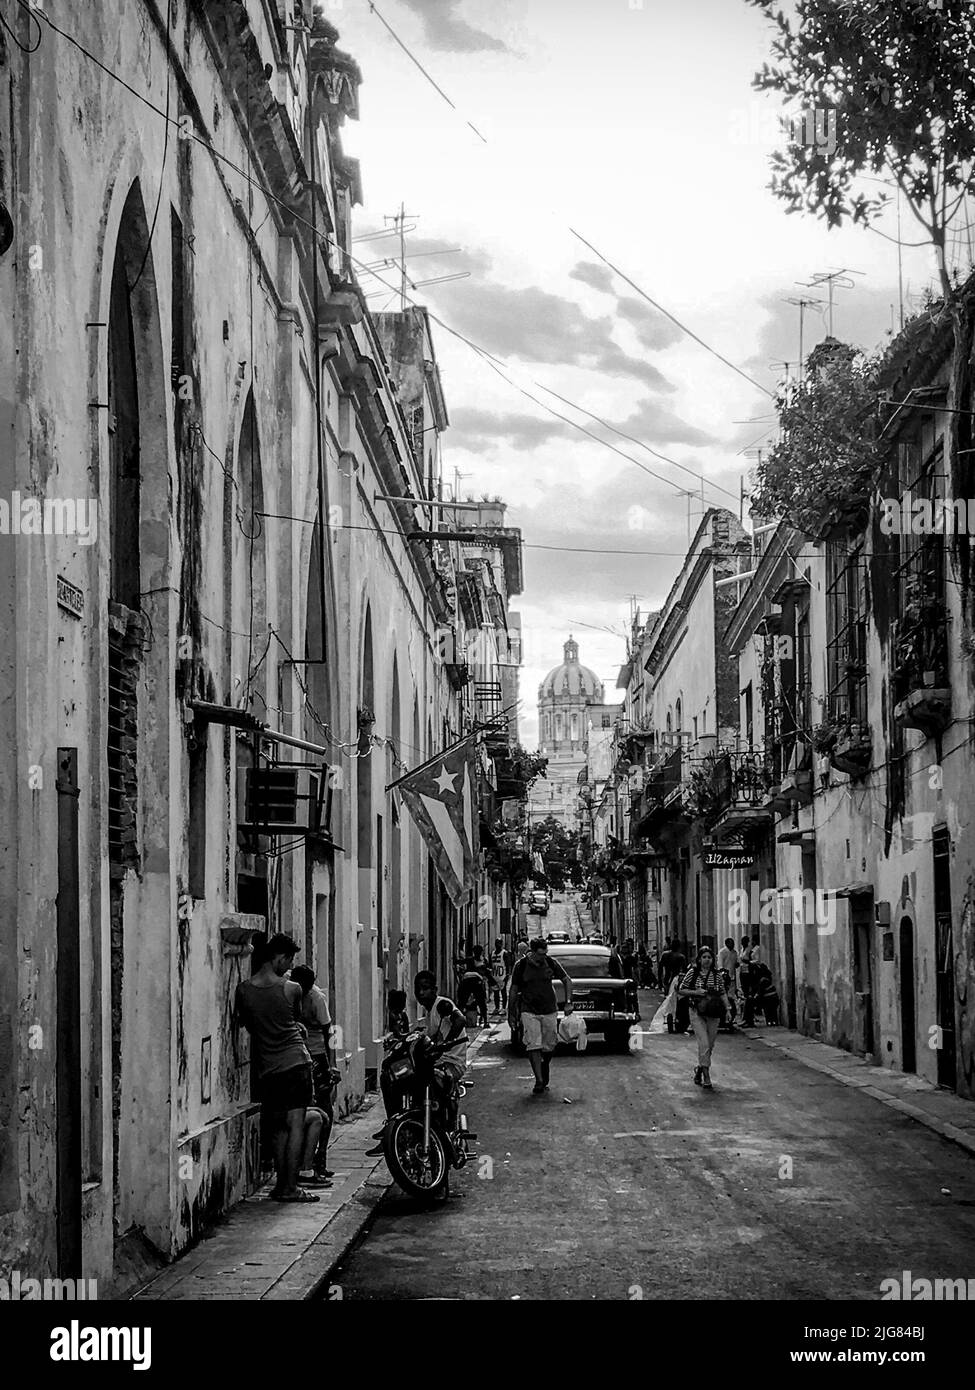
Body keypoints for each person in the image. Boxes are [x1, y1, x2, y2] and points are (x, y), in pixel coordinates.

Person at [234, 933, 320, 1203]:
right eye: (290, 959)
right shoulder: (291, 988)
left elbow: (246, 1023)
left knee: (278, 1127)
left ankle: (280, 1185)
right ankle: (290, 1186)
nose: (290, 965)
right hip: (295, 1063)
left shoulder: (244, 990)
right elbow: (294, 1021)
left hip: (267, 1068)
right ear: (279, 957)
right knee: (296, 1125)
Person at [507, 937, 573, 1095]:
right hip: (528, 1010)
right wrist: (511, 1013)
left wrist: (568, 1002)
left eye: (545, 954)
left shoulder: (550, 963)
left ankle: (544, 1064)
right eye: (540, 954)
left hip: (549, 1009)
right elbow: (514, 990)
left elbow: (567, 980)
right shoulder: (521, 966)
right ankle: (539, 1080)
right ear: (532, 952)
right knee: (533, 1044)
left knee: (549, 1044)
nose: (543, 957)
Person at [289, 964, 337, 1184]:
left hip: (317, 1055)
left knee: (324, 1105)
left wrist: (332, 1064)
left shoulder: (317, 998)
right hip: (297, 1054)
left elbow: (330, 1031)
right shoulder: (289, 989)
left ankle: (321, 1159)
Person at [677, 946, 731, 1090]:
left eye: (709, 957)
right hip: (696, 1012)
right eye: (704, 957)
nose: (707, 960)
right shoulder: (692, 973)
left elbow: (722, 993)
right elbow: (681, 989)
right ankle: (706, 1076)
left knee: (710, 1044)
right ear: (699, 959)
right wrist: (696, 992)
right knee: (704, 1043)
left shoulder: (717, 975)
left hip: (713, 1013)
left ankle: (700, 1068)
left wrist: (728, 1009)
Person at [716, 937, 740, 1028]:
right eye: (730, 943)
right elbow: (720, 964)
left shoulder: (735, 953)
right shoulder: (722, 952)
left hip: (732, 977)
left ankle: (731, 1014)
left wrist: (737, 964)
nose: (732, 945)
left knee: (731, 996)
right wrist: (723, 973)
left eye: (733, 943)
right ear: (726, 944)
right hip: (724, 977)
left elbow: (736, 963)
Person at [490, 938, 513, 1015]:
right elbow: (491, 965)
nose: (498, 945)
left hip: (502, 976)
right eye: (497, 943)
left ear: (501, 944)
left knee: (503, 992)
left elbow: (507, 964)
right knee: (496, 993)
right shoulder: (492, 953)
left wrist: (507, 975)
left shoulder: (504, 953)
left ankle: (503, 1008)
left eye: (499, 943)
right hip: (494, 976)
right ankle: (497, 1008)